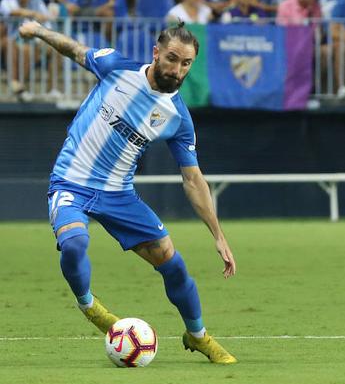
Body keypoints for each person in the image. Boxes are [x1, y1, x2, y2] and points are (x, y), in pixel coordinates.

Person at [18, 20, 238, 364]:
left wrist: (218, 235)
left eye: (186, 64)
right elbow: (73, 48)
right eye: (172, 58)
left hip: (118, 195)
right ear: (156, 52)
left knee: (174, 265)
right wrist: (38, 30)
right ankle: (89, 306)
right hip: (71, 182)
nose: (178, 70)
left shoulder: (177, 116)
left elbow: (193, 179)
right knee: (75, 244)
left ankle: (198, 336)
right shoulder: (116, 66)